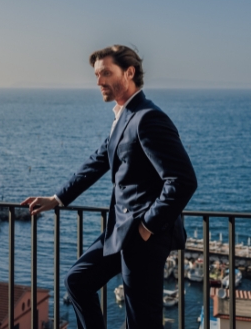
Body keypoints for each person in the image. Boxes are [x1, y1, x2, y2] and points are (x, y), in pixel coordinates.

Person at [21, 45, 197, 329]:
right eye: (96, 74)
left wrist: (147, 226)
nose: (99, 81)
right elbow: (97, 161)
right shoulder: (124, 117)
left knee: (141, 322)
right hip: (121, 231)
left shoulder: (148, 118)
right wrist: (57, 198)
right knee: (77, 280)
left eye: (105, 73)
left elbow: (183, 180)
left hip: (143, 236)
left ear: (129, 73)